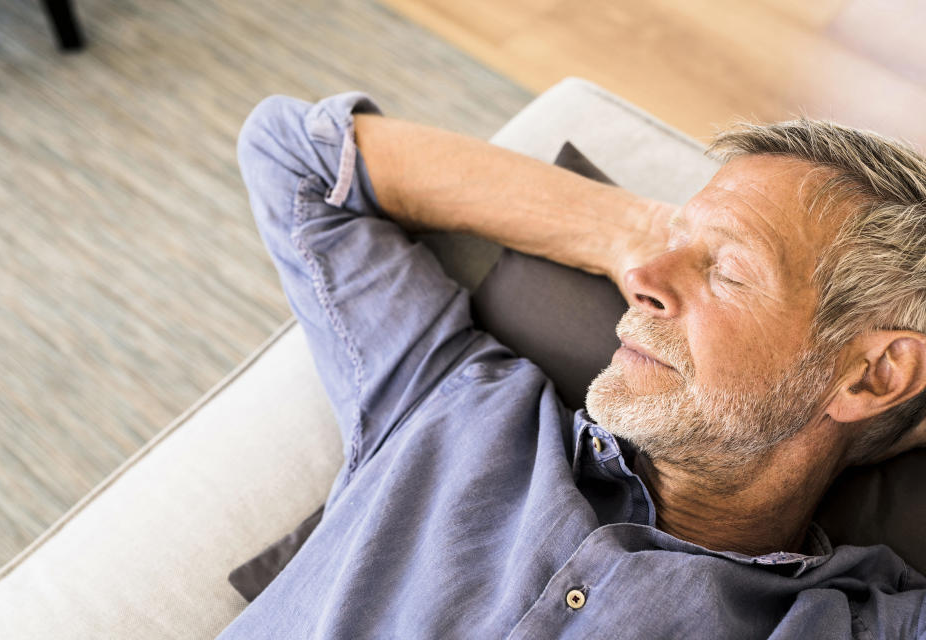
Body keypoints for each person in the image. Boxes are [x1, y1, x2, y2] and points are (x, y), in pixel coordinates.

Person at [216, 90, 926, 639]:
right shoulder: (452, 400)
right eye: (671, 240)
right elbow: (295, 155)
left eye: (730, 271)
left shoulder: (855, 624)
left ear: (874, 375)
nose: (646, 277)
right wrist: (621, 232)